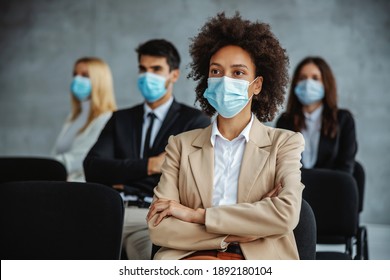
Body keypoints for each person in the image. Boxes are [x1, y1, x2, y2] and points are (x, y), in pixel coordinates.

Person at [147, 13, 305, 260]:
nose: (224, 80)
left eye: (238, 73)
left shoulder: (285, 143)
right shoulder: (180, 145)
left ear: (257, 85)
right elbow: (159, 226)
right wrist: (234, 234)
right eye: (216, 71)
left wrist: (197, 215)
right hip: (189, 258)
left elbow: (286, 214)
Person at [83, 39, 210, 260]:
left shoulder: (193, 121)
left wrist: (123, 174)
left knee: (152, 264)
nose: (147, 76)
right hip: (110, 212)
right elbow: (93, 167)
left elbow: (187, 180)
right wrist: (151, 166)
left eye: (156, 69)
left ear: (174, 75)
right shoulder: (121, 118)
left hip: (153, 217)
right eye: (143, 69)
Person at [276, 57, 357, 173]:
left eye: (315, 78)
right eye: (302, 78)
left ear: (326, 84)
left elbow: (345, 169)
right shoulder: (285, 121)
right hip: (295, 189)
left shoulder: (343, 120)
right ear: (295, 84)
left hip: (332, 188)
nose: (308, 83)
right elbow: (280, 167)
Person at [52, 57, 117, 182]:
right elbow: (57, 153)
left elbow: (83, 158)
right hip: (60, 182)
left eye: (85, 75)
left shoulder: (108, 119)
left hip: (80, 188)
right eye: (75, 74)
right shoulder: (73, 117)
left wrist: (47, 166)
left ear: (100, 81)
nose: (77, 79)